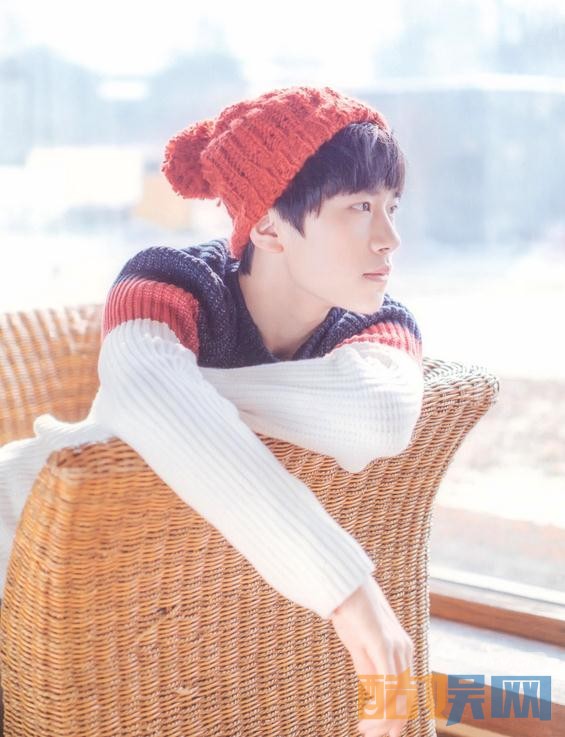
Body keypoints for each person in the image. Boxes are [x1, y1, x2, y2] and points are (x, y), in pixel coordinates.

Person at [0, 85, 424, 737]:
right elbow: (146, 387)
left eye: (391, 206)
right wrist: (347, 589)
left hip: (164, 609)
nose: (389, 237)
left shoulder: (378, 321)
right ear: (268, 226)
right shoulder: (168, 280)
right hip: (21, 527)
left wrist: (162, 399)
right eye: (360, 207)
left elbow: (378, 418)